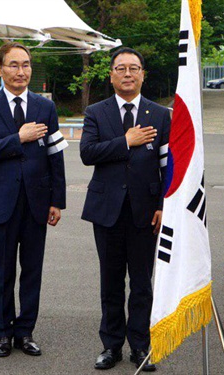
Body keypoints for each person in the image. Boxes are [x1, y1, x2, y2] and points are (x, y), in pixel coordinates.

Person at [0, 42, 67, 358]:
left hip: (37, 201)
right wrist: (19, 139)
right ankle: (2, 332)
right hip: (1, 201)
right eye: (14, 65)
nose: (21, 71)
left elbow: (55, 155)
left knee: (32, 270)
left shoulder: (45, 107)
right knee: (1, 271)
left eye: (26, 64)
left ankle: (25, 332)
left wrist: (57, 200)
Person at [80, 47, 170, 372]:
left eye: (134, 68)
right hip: (107, 210)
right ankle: (111, 345)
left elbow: (168, 167)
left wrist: (163, 206)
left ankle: (141, 346)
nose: (127, 74)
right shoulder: (96, 112)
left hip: (146, 213)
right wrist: (125, 141)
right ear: (111, 75)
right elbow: (88, 153)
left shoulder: (160, 114)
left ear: (143, 74)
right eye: (121, 68)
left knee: (143, 282)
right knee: (112, 281)